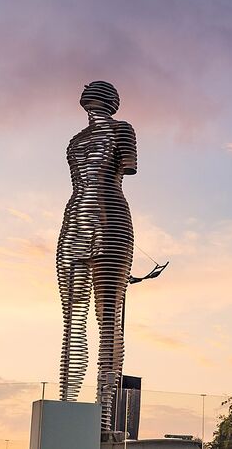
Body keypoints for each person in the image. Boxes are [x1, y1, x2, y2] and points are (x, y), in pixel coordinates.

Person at [56, 81, 137, 434]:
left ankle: (103, 421)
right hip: (75, 219)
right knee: (71, 321)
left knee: (108, 320)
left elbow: (123, 173)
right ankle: (66, 409)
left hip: (112, 221)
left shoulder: (123, 130)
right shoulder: (74, 142)